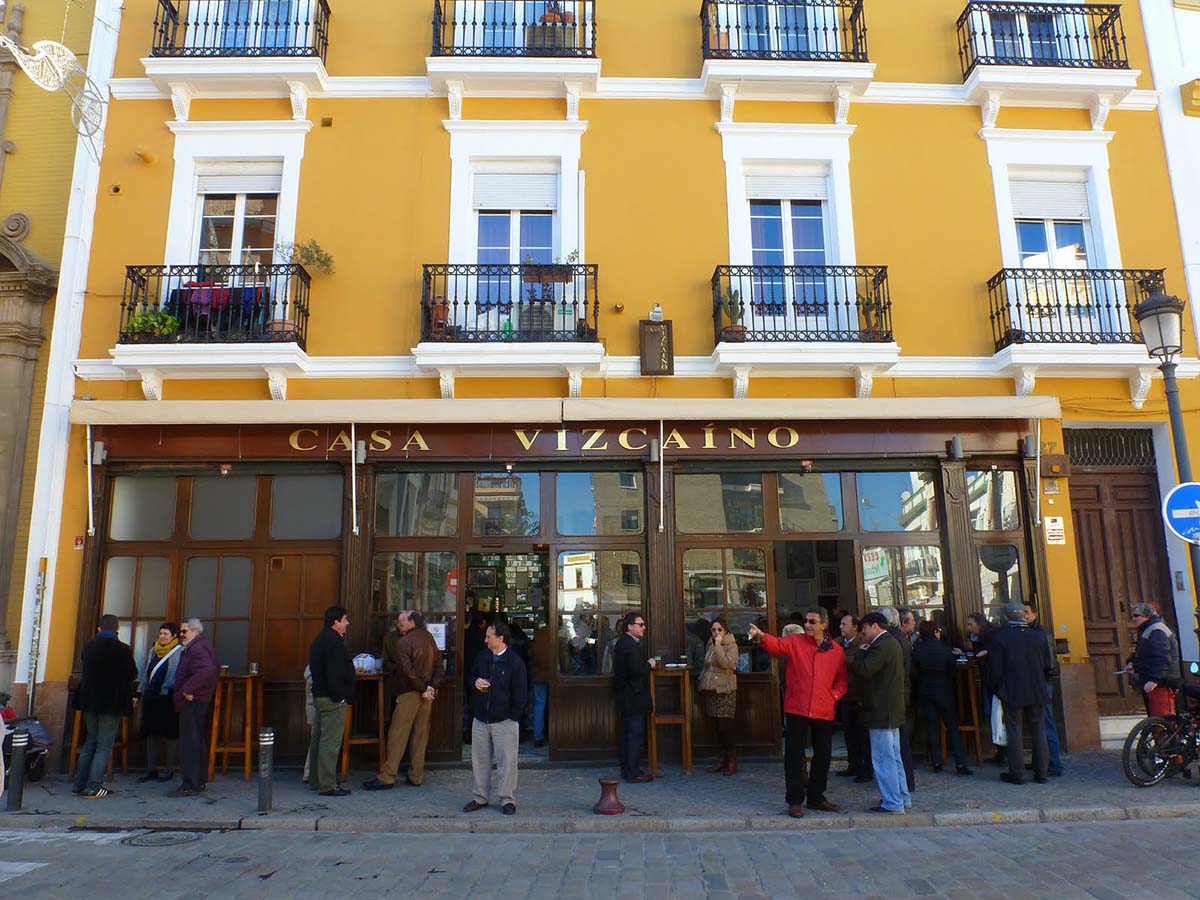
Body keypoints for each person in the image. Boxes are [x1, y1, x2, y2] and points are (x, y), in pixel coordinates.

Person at [749, 608, 847, 818]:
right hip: (798, 707)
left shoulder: (836, 650)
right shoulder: (796, 641)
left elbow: (841, 680)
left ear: (824, 624)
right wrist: (762, 636)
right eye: (806, 621)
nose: (807, 625)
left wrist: (833, 696)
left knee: (823, 756)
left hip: (823, 709)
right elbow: (777, 644)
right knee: (793, 757)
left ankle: (816, 797)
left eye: (812, 621)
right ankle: (794, 800)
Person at [363, 610, 445, 791]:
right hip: (427, 694)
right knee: (420, 735)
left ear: (411, 623)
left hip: (410, 692)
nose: (400, 624)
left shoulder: (404, 642)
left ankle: (387, 776)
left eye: (403, 621)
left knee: (397, 734)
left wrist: (423, 688)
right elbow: (440, 666)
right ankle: (416, 775)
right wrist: (431, 687)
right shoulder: (429, 639)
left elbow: (406, 672)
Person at [849, 611, 911, 815]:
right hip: (891, 709)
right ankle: (902, 797)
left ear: (874, 626)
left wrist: (859, 651)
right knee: (894, 757)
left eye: (864, 628)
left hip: (881, 710)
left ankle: (893, 802)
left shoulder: (882, 644)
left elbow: (865, 669)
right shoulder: (891, 642)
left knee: (884, 758)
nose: (862, 633)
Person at [463, 621, 528, 815]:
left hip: (504, 720)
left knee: (507, 762)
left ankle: (507, 799)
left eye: (489, 637)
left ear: (500, 638)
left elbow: (521, 693)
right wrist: (475, 682)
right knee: (480, 760)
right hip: (481, 718)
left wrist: (513, 717)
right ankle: (480, 797)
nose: (485, 640)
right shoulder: (482, 657)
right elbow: (470, 676)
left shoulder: (515, 662)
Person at [73, 614, 138, 799]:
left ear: (99, 629)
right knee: (104, 745)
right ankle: (94, 787)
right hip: (111, 702)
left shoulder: (89, 647)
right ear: (117, 629)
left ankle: (79, 784)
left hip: (89, 700)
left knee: (90, 741)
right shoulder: (123, 650)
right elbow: (132, 673)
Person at [986, 603, 1053, 785]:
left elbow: (994, 670)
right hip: (1036, 689)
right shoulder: (1039, 637)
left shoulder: (1000, 638)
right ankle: (1041, 773)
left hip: (1012, 690)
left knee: (1014, 731)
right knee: (1038, 731)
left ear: (1007, 618)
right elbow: (1048, 666)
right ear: (1023, 616)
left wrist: (995, 688)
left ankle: (1017, 773)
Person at [911, 620, 972, 776]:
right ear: (935, 632)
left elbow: (914, 673)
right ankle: (960, 763)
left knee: (932, 726)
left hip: (925, 690)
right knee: (952, 726)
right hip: (944, 690)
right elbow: (952, 671)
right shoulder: (945, 649)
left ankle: (936, 762)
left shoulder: (917, 650)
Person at [308, 605, 356, 797]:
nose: (347, 623)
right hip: (332, 698)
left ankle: (315, 779)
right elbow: (335, 673)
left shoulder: (320, 639)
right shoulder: (335, 643)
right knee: (330, 742)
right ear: (335, 621)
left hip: (320, 695)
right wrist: (341, 696)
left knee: (318, 740)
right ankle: (327, 784)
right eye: (344, 619)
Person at [170, 617, 218, 798]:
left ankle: (191, 782)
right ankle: (198, 780)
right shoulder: (197, 647)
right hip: (196, 699)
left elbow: (206, 670)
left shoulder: (197, 648)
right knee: (195, 740)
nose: (181, 635)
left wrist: (187, 689)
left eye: (184, 631)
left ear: (195, 631)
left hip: (193, 700)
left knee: (190, 742)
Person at [612, 610, 657, 783]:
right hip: (632, 696)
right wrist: (649, 664)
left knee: (628, 734)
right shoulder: (629, 644)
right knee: (634, 735)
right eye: (641, 624)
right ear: (630, 627)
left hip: (627, 695)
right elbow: (636, 670)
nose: (644, 627)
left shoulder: (626, 643)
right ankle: (633, 772)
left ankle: (627, 769)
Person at [136, 622, 182, 784]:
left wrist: (170, 688)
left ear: (174, 636)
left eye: (166, 634)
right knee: (151, 733)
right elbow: (146, 673)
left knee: (170, 734)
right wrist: (139, 693)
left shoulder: (179, 652)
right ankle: (151, 769)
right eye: (161, 633)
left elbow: (178, 675)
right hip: (151, 697)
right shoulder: (153, 651)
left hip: (167, 697)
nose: (162, 636)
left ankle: (169, 769)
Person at [1023, 603, 1064, 776]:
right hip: (1035, 682)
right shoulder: (1029, 633)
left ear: (1035, 614)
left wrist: (1045, 678)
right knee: (1037, 724)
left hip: (1042, 683)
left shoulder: (1042, 634)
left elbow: (1050, 662)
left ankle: (1054, 764)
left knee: (1046, 722)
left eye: (1026, 612)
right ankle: (1040, 761)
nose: (1024, 616)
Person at [879, 605, 915, 793]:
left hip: (895, 695)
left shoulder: (891, 639)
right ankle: (904, 785)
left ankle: (902, 786)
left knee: (897, 745)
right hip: (902, 692)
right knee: (899, 743)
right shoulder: (901, 637)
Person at [1125, 602, 1182, 718]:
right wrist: (1133, 664)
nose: (1133, 619)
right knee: (1156, 719)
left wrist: (1155, 679)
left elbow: (1162, 657)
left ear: (1147, 616)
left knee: (1163, 718)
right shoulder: (1147, 629)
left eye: (1136, 616)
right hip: (1153, 680)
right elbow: (1143, 654)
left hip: (1163, 682)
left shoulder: (1157, 630)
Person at [698, 616, 739, 776]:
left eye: (719, 629)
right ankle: (723, 759)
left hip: (725, 690)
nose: (716, 632)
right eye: (713, 629)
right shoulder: (710, 643)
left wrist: (718, 645)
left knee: (725, 727)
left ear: (726, 630)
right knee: (716, 726)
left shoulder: (731, 645)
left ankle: (732, 760)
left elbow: (726, 663)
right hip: (711, 689)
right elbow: (706, 664)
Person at [836, 614, 872, 782]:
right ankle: (853, 764)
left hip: (860, 694)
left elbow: (862, 662)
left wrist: (841, 659)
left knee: (863, 734)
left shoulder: (863, 643)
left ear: (854, 628)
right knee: (849, 733)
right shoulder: (837, 642)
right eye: (841, 624)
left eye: (844, 624)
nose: (841, 627)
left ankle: (866, 768)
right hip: (845, 694)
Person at [463, 611, 488, 741]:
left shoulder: (465, 633)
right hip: (480, 674)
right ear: (483, 622)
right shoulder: (483, 636)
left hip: (466, 671)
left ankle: (468, 732)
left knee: (468, 703)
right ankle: (475, 735)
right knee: (477, 705)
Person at [530, 621, 553, 748]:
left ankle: (538, 736)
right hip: (554, 674)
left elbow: (531, 653)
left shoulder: (538, 635)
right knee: (553, 703)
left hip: (538, 674)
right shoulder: (558, 634)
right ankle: (553, 734)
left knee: (539, 704)